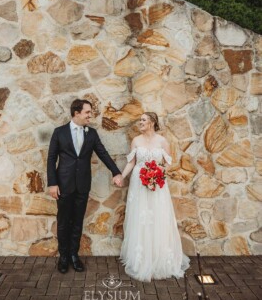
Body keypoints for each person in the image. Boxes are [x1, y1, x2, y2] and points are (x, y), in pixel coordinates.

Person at [47, 99, 123, 274]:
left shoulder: (92, 133)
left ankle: (74, 255)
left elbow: (102, 153)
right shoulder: (59, 133)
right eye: (87, 112)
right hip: (63, 185)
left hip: (82, 185)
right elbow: (51, 159)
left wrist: (116, 172)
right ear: (77, 113)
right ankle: (64, 257)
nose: (90, 115)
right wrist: (52, 183)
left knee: (78, 221)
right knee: (64, 221)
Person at [119, 112, 190, 282]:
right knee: (141, 217)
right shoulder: (136, 140)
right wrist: (122, 176)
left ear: (152, 122)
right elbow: (132, 162)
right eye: (140, 120)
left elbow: (166, 165)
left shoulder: (162, 141)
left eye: (143, 120)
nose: (140, 123)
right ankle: (141, 258)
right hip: (139, 184)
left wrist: (156, 174)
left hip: (157, 185)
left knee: (158, 216)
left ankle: (159, 257)